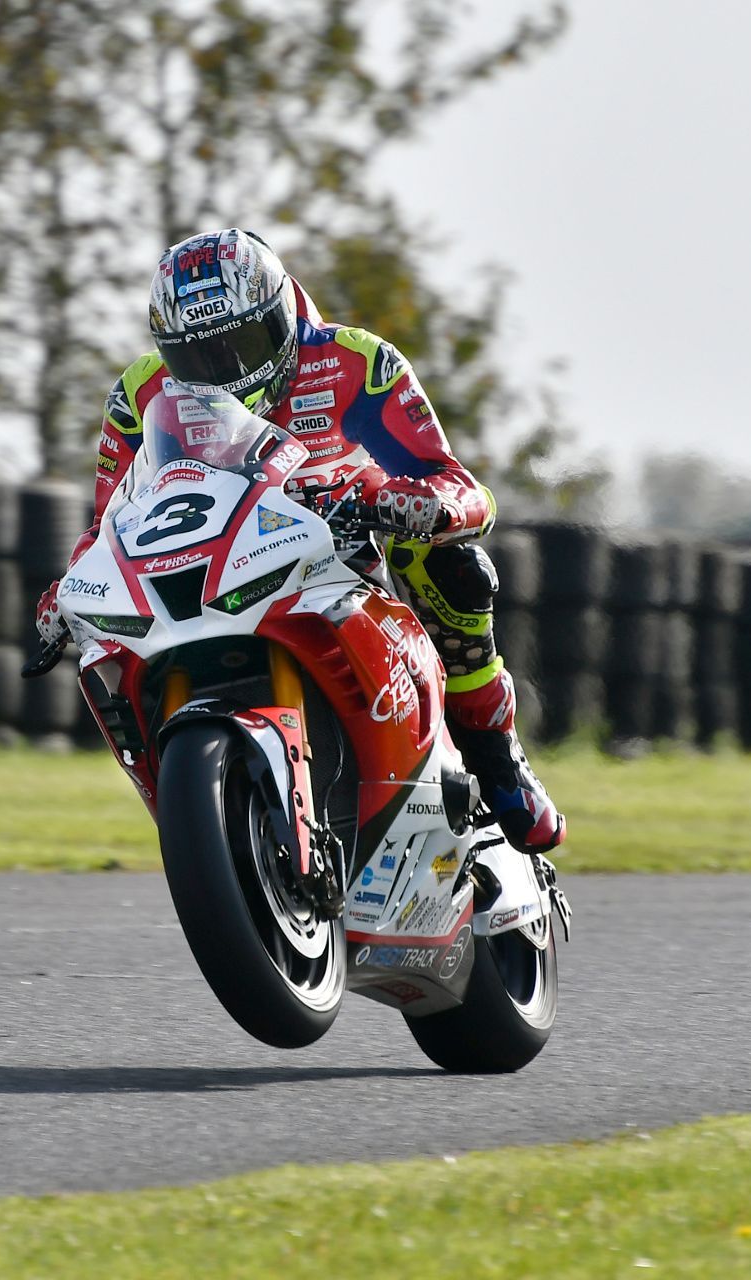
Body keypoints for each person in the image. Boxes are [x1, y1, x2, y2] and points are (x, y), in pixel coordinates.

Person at [35, 228, 564, 855]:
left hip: (342, 558)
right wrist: (69, 587)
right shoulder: (137, 395)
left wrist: (418, 503)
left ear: (281, 312)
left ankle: (493, 750)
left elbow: (459, 485)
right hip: (214, 565)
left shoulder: (356, 362)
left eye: (240, 345)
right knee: (104, 637)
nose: (224, 371)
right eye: (199, 358)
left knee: (452, 566)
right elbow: (110, 522)